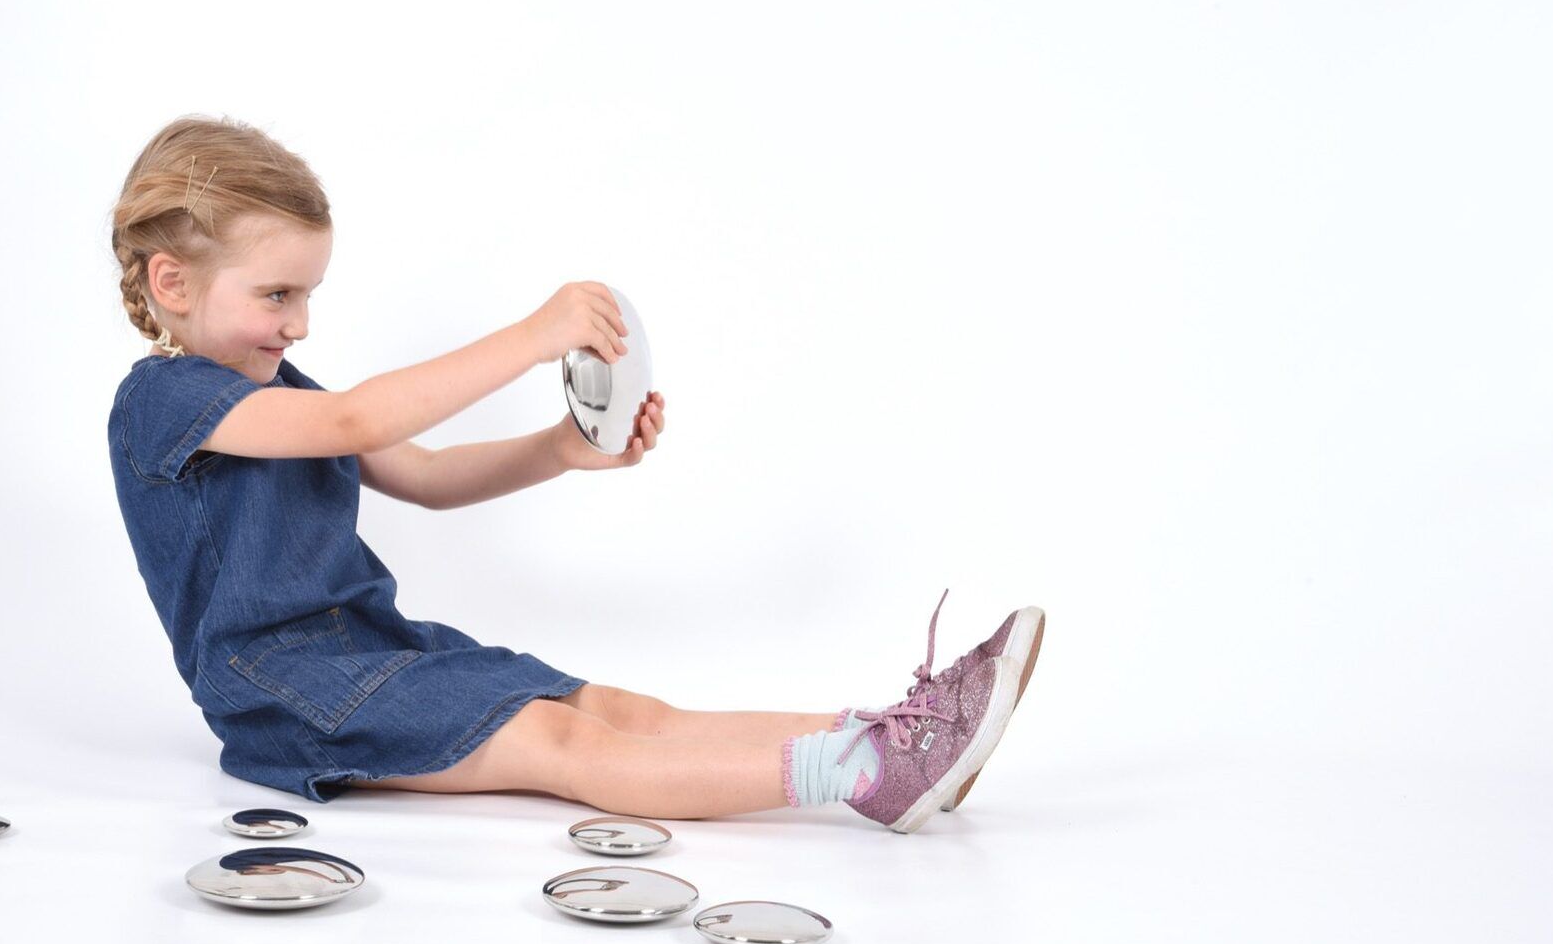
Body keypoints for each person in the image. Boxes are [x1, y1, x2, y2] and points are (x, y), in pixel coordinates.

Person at [106, 114, 1045, 833]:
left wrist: (560, 447)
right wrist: (530, 337)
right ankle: (865, 774)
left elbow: (423, 474)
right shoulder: (163, 401)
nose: (301, 323)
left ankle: (891, 736)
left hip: (373, 651)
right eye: (277, 294)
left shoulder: (279, 390)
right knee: (563, 744)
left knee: (618, 710)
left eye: (309, 295)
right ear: (172, 283)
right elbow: (357, 421)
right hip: (286, 692)